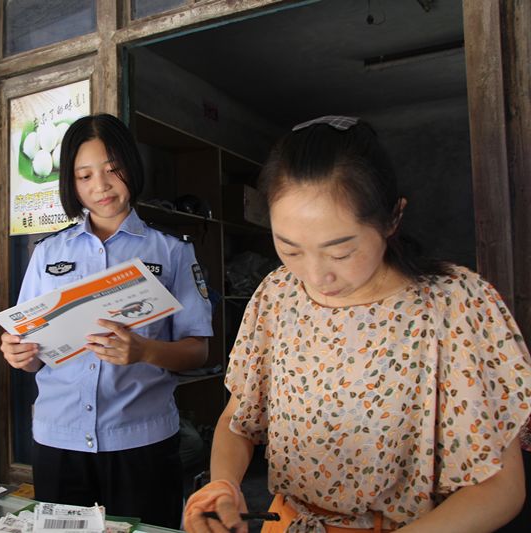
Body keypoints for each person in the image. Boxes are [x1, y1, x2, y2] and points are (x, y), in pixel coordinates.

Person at [183, 116, 531, 533]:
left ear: (392, 219)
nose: (314, 276)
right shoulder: (277, 294)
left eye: (340, 252)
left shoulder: (455, 305)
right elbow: (237, 420)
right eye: (289, 249)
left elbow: (500, 486)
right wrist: (223, 485)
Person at [1, 113, 213, 528]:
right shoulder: (47, 253)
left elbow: (198, 351)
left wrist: (145, 350)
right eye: (84, 176)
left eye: (112, 169)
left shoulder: (171, 252)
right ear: (71, 183)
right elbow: (30, 349)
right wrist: (18, 353)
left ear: (131, 167)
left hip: (143, 441)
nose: (100, 186)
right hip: (58, 440)